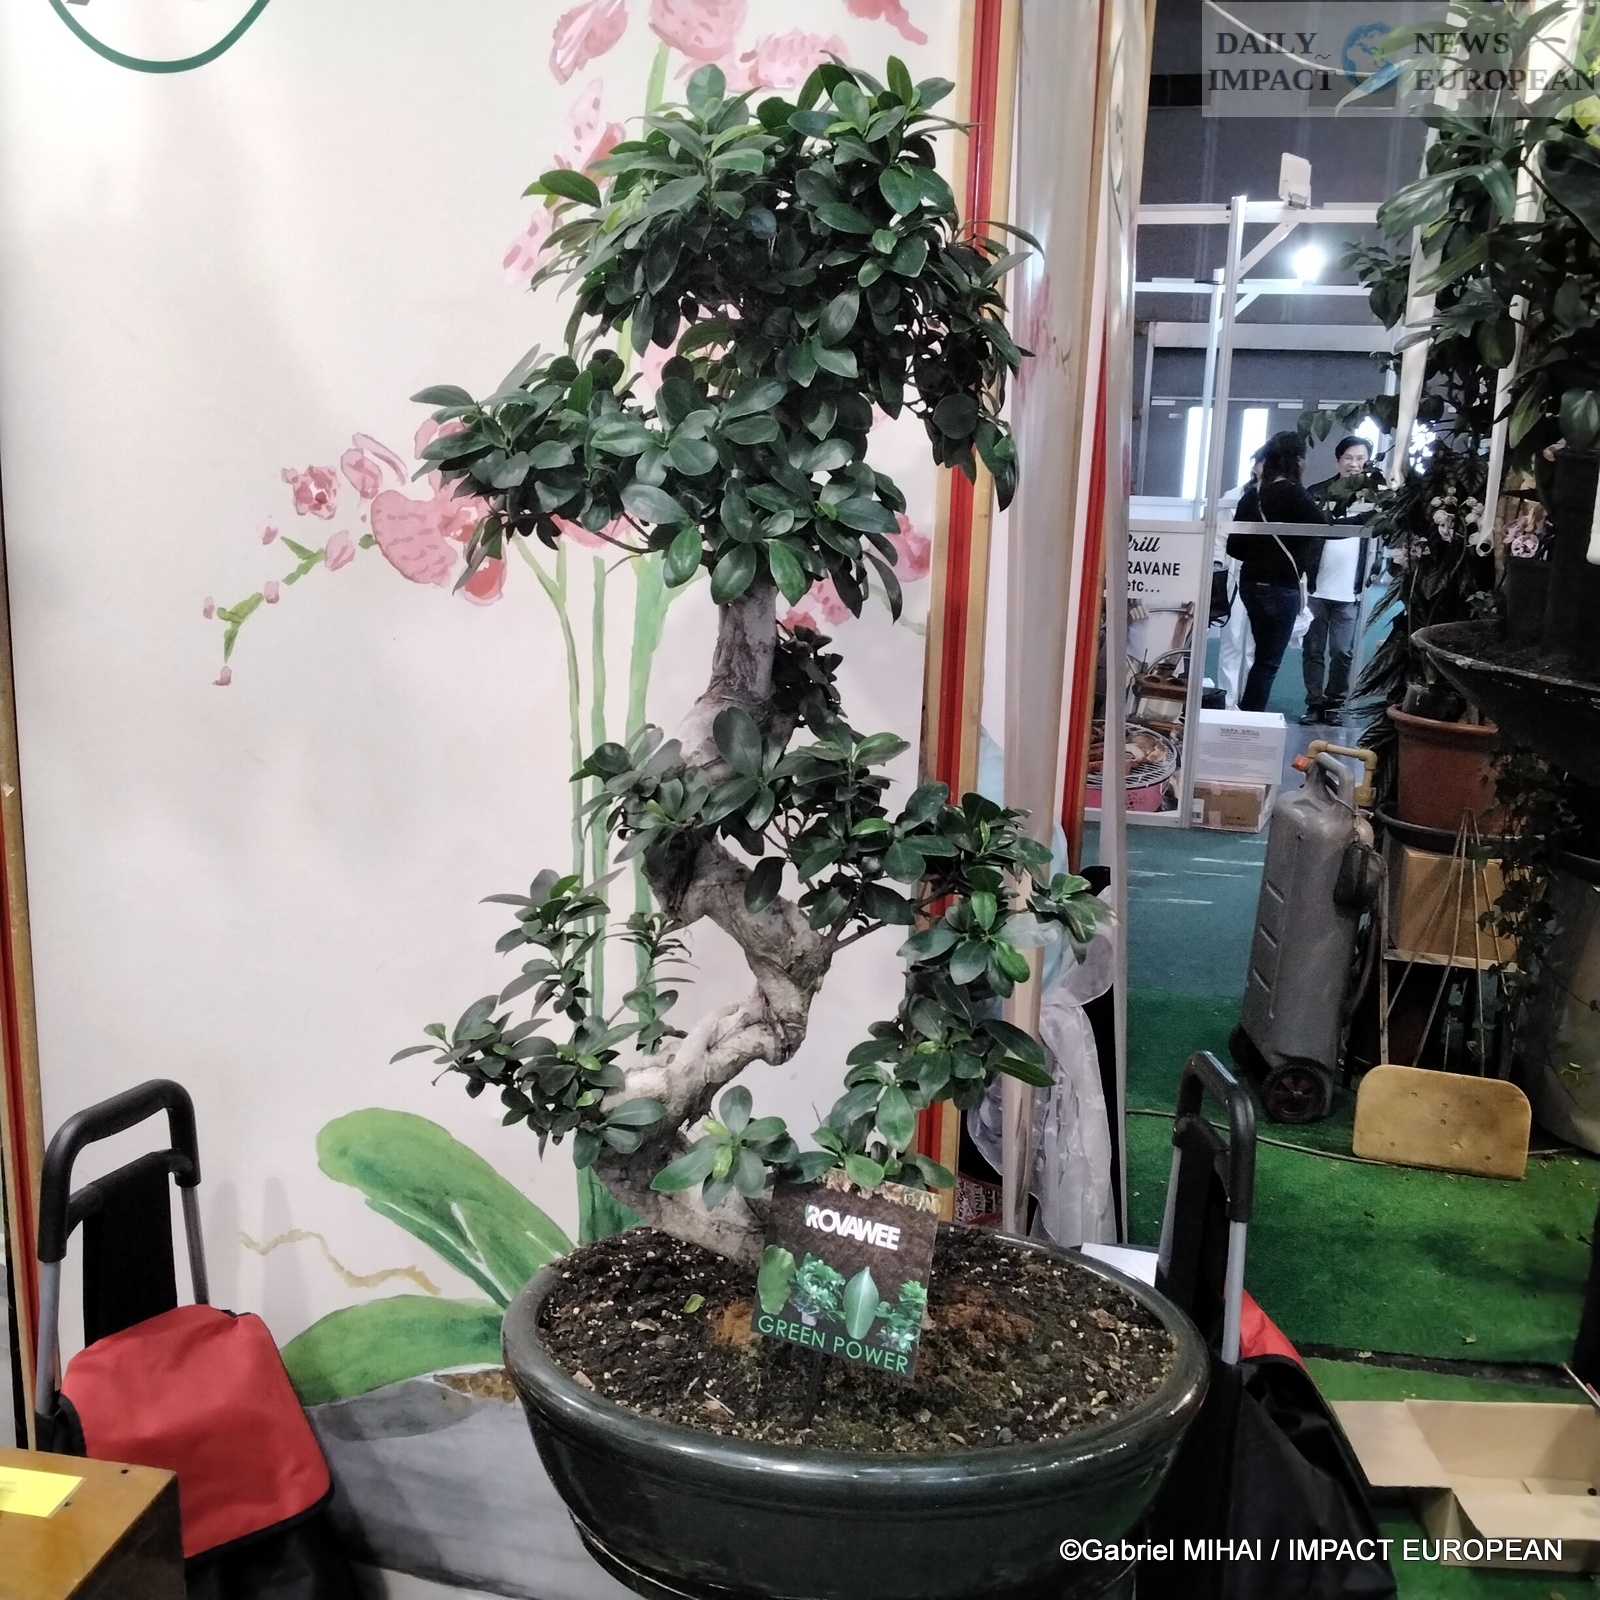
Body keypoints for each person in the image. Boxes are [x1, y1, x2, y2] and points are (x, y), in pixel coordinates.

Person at [1226, 432, 1324, 713]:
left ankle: (1247, 714)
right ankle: (1250, 718)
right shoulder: (1295, 494)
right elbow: (1324, 528)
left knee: (1261, 657)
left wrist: (1261, 552)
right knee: (1267, 663)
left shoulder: (1251, 496)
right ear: (1298, 461)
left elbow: (1234, 547)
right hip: (1281, 587)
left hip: (1251, 584)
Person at [1300, 436, 1378, 725]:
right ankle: (1314, 703)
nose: (1354, 464)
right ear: (1338, 461)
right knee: (1313, 650)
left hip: (1351, 591)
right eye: (1348, 458)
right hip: (1317, 587)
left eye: (1360, 459)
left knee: (1342, 652)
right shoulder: (1317, 492)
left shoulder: (1376, 496)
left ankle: (1335, 704)